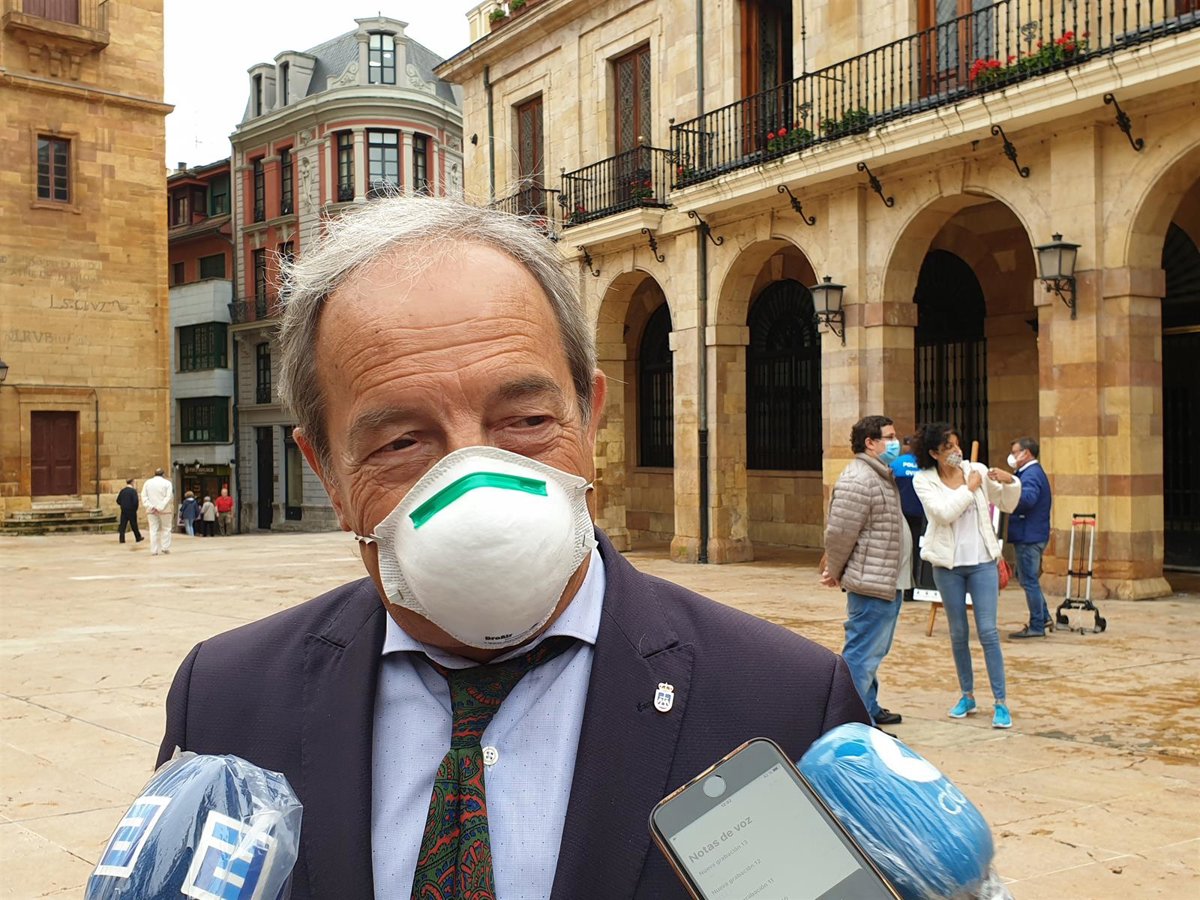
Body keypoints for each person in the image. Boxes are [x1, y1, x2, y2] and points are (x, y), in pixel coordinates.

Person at [157, 197, 868, 900]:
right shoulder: (225, 703)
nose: (474, 482)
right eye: (401, 441)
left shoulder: (783, 704)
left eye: (526, 420)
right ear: (328, 473)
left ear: (588, 418)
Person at [912, 423, 1021, 729]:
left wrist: (1010, 480)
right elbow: (943, 513)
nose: (956, 451)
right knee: (958, 632)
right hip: (948, 566)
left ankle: (1000, 702)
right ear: (934, 453)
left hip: (982, 562)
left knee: (988, 631)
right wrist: (968, 489)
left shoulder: (977, 470)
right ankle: (967, 695)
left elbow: (1007, 502)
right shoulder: (924, 480)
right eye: (947, 447)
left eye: (956, 444)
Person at [821, 415, 911, 729]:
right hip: (871, 582)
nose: (895, 443)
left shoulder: (879, 474)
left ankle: (868, 705)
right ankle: (853, 719)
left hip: (886, 580)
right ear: (870, 443)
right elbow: (840, 532)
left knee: (875, 650)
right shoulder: (859, 478)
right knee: (862, 653)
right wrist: (834, 569)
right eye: (889, 437)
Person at [1003, 437, 1054, 639]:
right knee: (1027, 578)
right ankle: (1044, 616)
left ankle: (1036, 625)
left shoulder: (1031, 474)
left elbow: (1027, 499)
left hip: (1029, 535)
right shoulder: (1028, 472)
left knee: (1029, 580)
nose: (1012, 456)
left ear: (1027, 453)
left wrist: (1008, 486)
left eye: (1015, 452)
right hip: (1030, 533)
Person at [890, 434, 925, 599]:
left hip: (900, 514)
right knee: (918, 551)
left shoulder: (896, 463)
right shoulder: (924, 465)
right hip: (920, 515)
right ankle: (915, 588)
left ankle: (901, 587)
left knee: (902, 551)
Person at [140, 467, 174, 556]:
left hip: (151, 510)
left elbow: (144, 496)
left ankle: (154, 550)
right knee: (166, 528)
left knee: (153, 529)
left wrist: (151, 506)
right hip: (165, 509)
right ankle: (165, 547)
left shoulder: (147, 483)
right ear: (163, 474)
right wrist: (160, 507)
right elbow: (168, 497)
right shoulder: (167, 483)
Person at [115, 479, 143, 545]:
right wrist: (135, 508)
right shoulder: (133, 491)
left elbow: (118, 500)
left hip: (124, 510)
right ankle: (138, 537)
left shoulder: (123, 491)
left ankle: (122, 539)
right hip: (131, 510)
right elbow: (135, 501)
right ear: (132, 482)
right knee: (134, 524)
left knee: (123, 525)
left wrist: (123, 505)